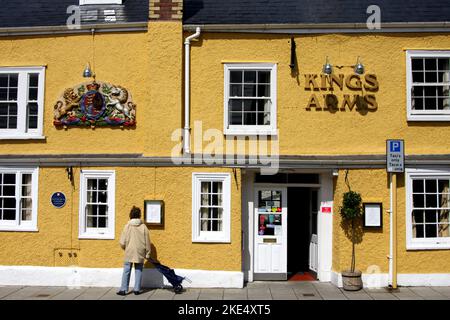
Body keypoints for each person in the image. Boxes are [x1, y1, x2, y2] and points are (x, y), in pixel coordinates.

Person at [117, 206, 151, 295]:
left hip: (129, 251)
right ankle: (137, 289)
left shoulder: (127, 226)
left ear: (131, 215)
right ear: (139, 215)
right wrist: (148, 253)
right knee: (138, 269)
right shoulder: (143, 227)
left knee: (127, 270)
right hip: (140, 251)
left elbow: (122, 242)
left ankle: (123, 290)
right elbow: (147, 241)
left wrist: (125, 248)